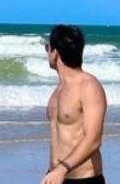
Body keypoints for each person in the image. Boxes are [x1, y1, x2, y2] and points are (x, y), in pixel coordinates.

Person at [40, 25, 107, 184]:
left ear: (55, 53)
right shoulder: (58, 91)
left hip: (84, 179)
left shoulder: (89, 86)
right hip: (56, 176)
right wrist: (54, 172)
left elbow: (93, 139)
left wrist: (62, 168)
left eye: (47, 48)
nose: (47, 53)